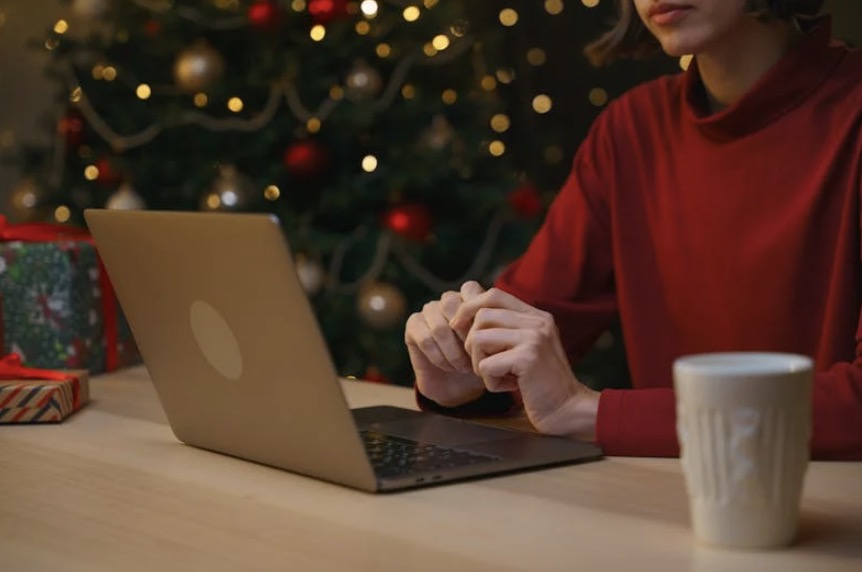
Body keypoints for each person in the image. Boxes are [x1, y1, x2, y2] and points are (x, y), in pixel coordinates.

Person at [403, 0, 862, 460]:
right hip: (662, 503)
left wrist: (588, 413)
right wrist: (466, 373)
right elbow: (521, 324)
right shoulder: (630, 132)